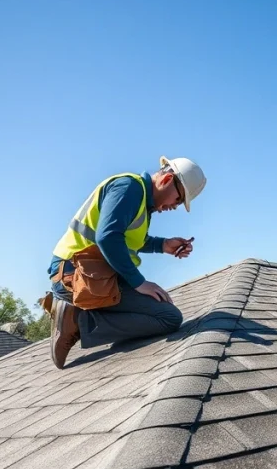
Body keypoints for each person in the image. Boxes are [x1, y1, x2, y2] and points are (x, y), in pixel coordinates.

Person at [46, 155, 207, 368]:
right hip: (73, 275)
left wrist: (163, 245)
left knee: (165, 314)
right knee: (168, 318)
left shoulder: (140, 201)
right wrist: (139, 283)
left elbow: (127, 240)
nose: (174, 206)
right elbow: (108, 237)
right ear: (167, 180)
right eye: (178, 200)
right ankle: (76, 319)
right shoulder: (129, 188)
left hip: (93, 275)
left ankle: (79, 316)